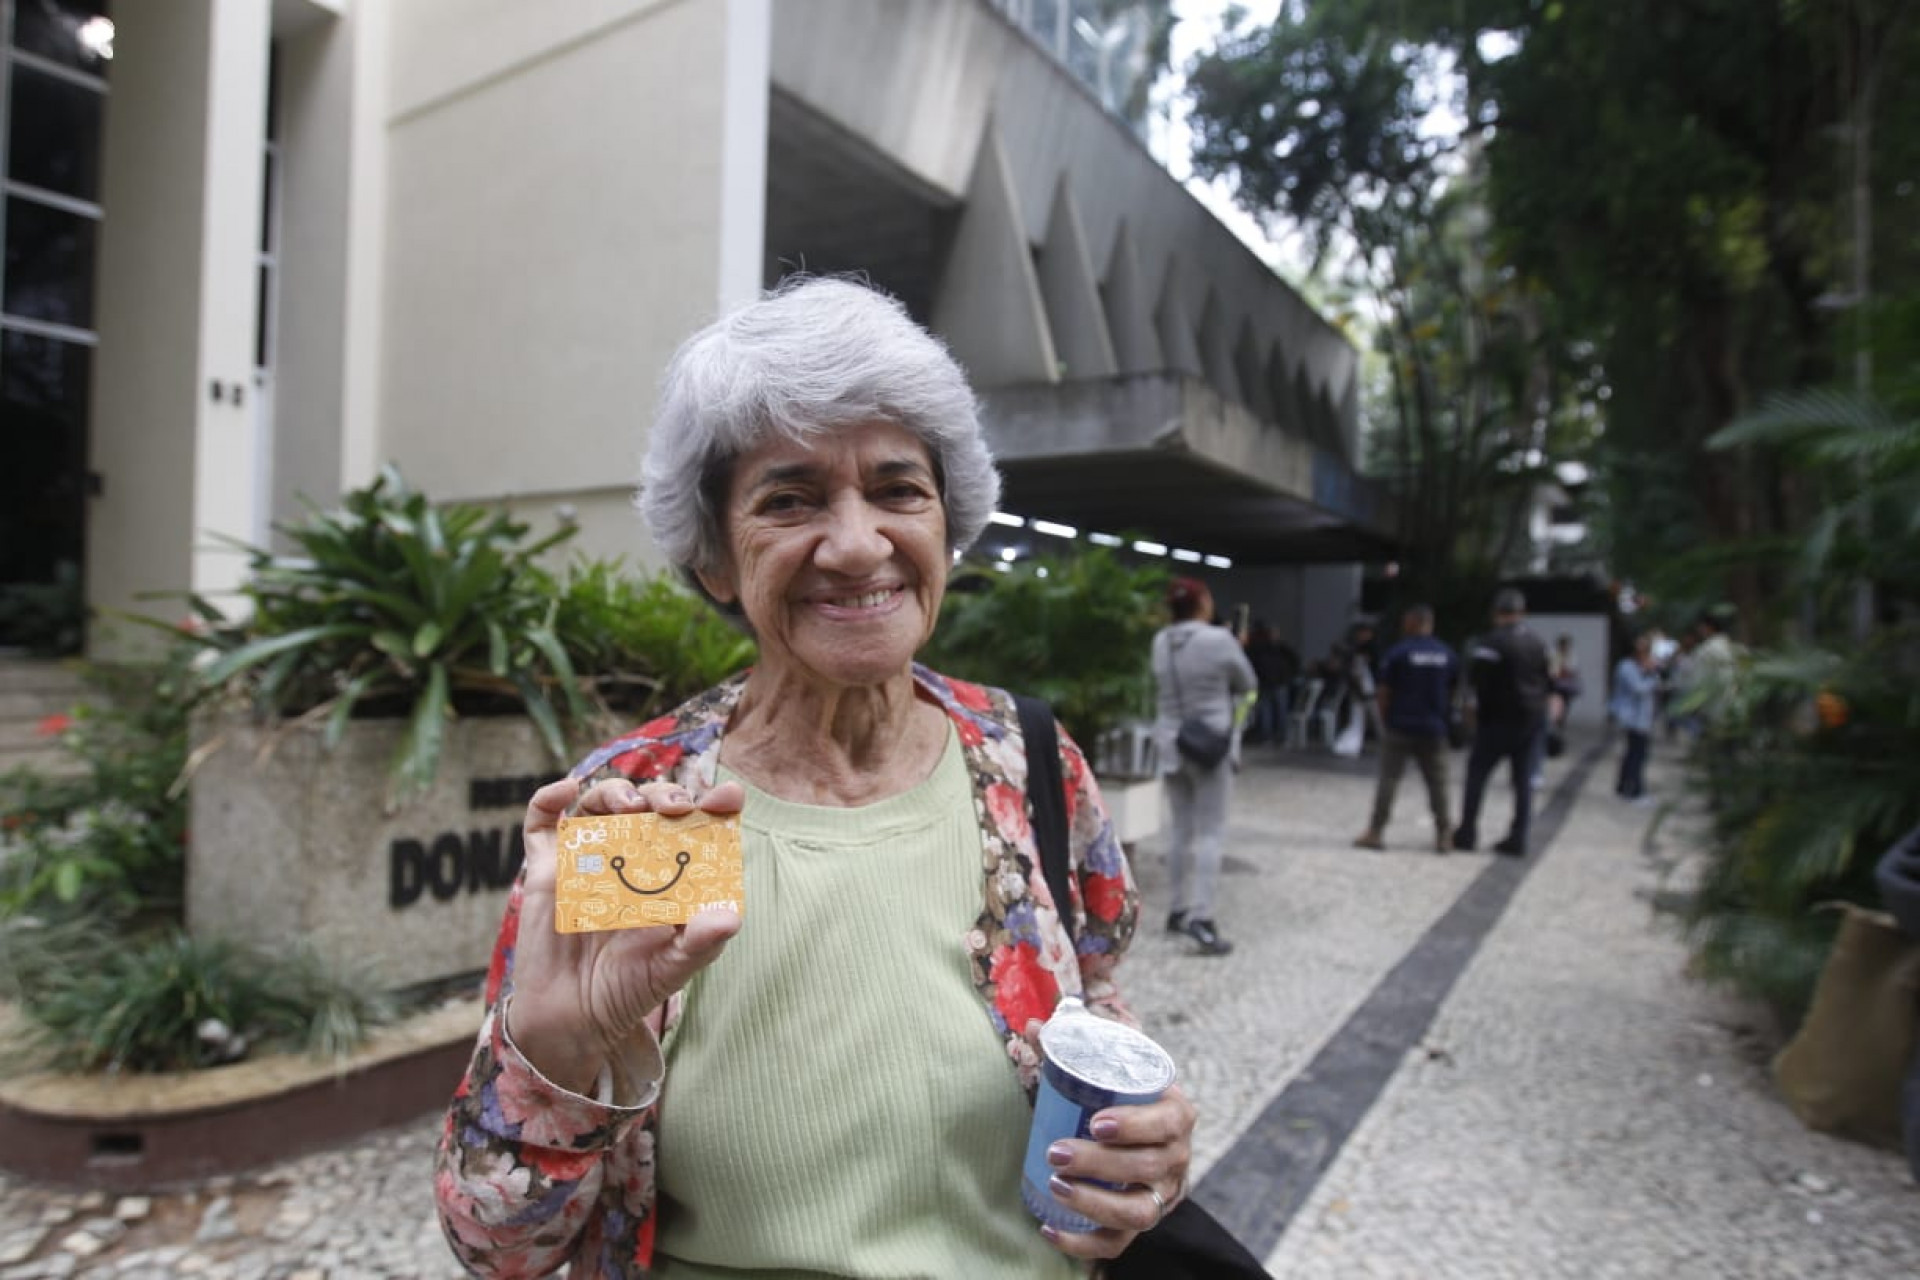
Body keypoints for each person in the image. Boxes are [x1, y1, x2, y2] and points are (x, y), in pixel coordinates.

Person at [434, 278, 1195, 1278]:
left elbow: (1095, 995)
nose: (854, 542)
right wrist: (558, 1058)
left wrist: (1143, 1138)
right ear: (713, 557)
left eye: (896, 489)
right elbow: (498, 1247)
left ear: (945, 521)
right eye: (789, 498)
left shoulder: (1023, 757)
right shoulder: (652, 808)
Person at [1152, 576, 1257, 956]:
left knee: (1180, 830)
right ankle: (1203, 916)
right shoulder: (1219, 640)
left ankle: (1177, 909)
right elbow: (1248, 684)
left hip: (1170, 744)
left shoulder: (1160, 641)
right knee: (1211, 832)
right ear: (1202, 603)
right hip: (1210, 745)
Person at [1452, 588, 1553, 856]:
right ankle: (1519, 837)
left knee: (1477, 776)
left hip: (1496, 720)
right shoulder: (1538, 642)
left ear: (1497, 613)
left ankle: (1467, 832)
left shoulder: (1490, 643)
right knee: (1522, 782)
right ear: (1522, 613)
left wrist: (1471, 717)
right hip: (1530, 720)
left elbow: (1477, 683)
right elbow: (1547, 680)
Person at [1353, 605, 1459, 853]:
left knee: (1389, 780)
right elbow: (1454, 691)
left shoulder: (1398, 653)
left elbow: (1383, 692)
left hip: (1401, 725)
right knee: (1439, 783)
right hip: (1434, 728)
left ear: (1412, 623)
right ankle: (1444, 835)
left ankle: (1376, 832)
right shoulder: (1447, 654)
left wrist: (1385, 720)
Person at [1609, 632, 1660, 803]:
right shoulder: (1626, 667)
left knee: (1634, 753)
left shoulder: (1638, 667)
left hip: (1641, 719)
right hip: (1632, 718)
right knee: (1636, 754)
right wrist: (1651, 674)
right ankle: (1634, 790)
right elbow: (1638, 689)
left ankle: (1624, 786)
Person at [1241, 621, 1298, 746]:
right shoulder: (1261, 649)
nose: (1273, 635)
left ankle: (1281, 737)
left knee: (1279, 711)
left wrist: (1286, 676)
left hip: (1279, 683)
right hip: (1266, 683)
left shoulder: (1282, 649)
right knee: (1266, 712)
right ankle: (1267, 736)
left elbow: (1294, 662)